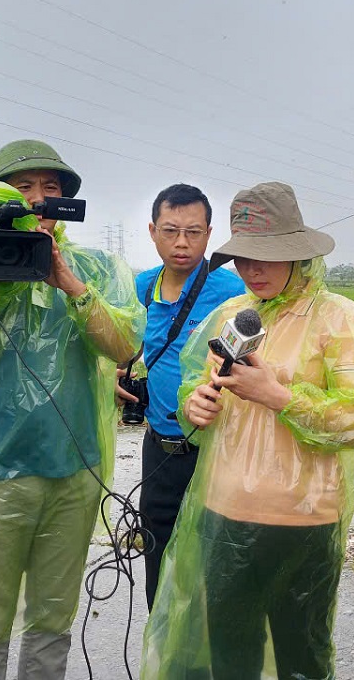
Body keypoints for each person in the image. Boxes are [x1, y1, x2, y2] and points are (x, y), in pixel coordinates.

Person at [141, 181, 354, 680]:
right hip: (224, 511)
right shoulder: (232, 314)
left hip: (303, 523)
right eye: (244, 257)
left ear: (299, 254)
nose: (253, 269)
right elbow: (195, 385)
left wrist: (276, 394)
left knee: (303, 656)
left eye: (268, 256)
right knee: (231, 656)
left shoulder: (336, 318)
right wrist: (196, 405)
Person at [0, 139, 143, 680]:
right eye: (22, 188)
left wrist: (67, 282)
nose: (38, 199)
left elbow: (124, 347)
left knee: (52, 617)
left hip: (75, 469)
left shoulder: (94, 266)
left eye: (51, 188)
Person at [118, 183, 245, 608]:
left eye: (194, 232)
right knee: (159, 559)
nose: (182, 243)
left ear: (210, 234)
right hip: (160, 448)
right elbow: (126, 344)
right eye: (171, 230)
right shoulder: (142, 287)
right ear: (152, 231)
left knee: (213, 566)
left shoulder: (231, 292)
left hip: (214, 450)